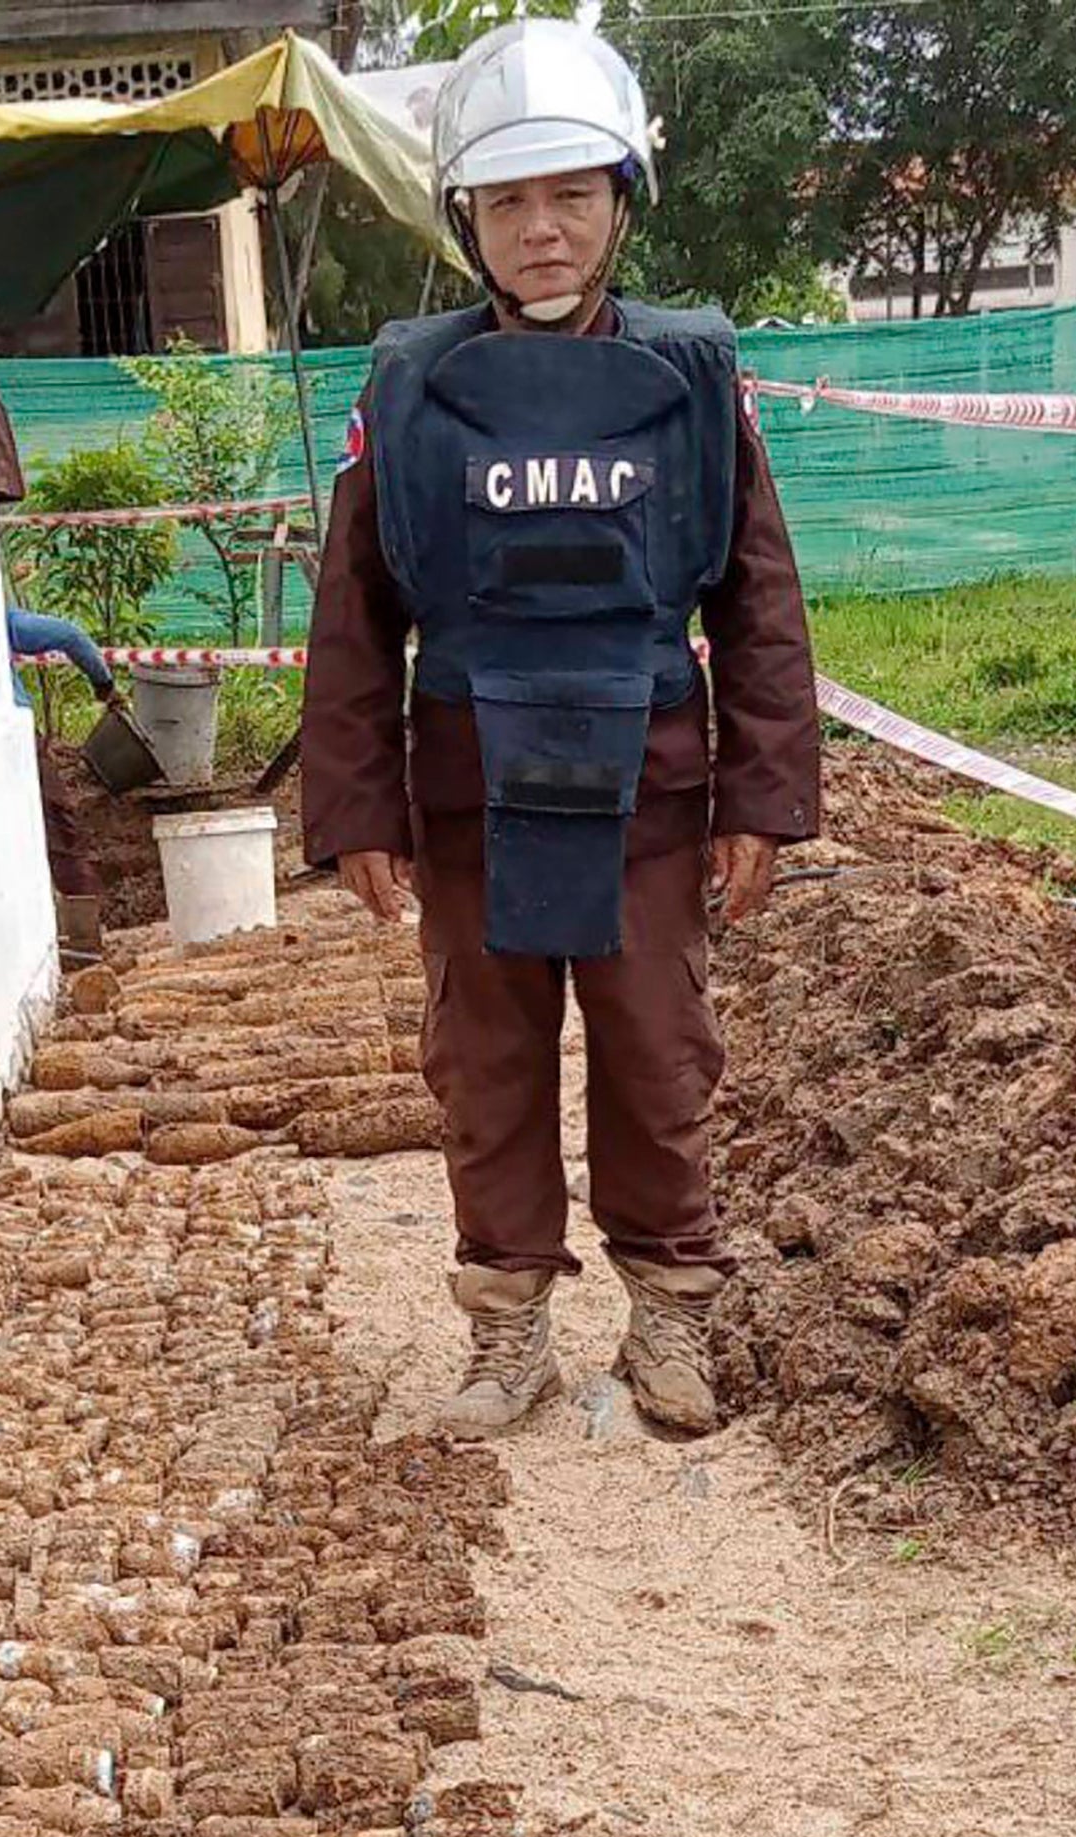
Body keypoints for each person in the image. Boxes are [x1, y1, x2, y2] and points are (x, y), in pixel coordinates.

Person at [301, 21, 820, 1438]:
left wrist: (760, 798)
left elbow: (759, 602)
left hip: (647, 791)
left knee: (659, 1055)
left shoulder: (697, 386)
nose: (542, 228)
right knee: (485, 1065)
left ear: (618, 202)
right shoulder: (407, 395)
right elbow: (354, 613)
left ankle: (668, 1318)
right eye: (509, 200)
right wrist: (352, 809)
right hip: (472, 795)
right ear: (463, 217)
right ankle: (507, 1333)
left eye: (571, 193)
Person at [8, 608, 116, 936]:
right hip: (14, 733)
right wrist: (104, 684)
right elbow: (70, 635)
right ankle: (85, 933)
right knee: (60, 829)